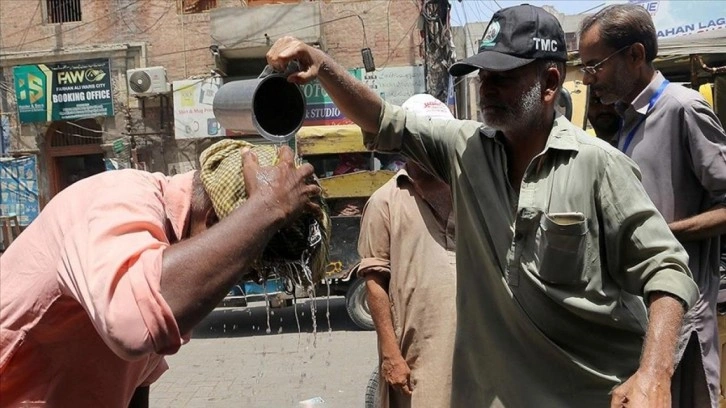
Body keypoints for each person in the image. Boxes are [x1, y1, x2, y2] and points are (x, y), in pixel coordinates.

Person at [266, 4, 699, 406]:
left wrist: (654, 373)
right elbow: (384, 119)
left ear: (549, 84)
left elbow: (667, 268)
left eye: (503, 77)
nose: (486, 88)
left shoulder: (599, 166)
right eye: (482, 75)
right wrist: (322, 66)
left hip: (586, 395)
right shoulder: (466, 150)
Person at [0, 140, 327, 407]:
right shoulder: (121, 197)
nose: (243, 281)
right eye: (247, 268)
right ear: (215, 223)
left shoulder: (171, 251)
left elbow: (138, 376)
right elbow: (135, 327)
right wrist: (266, 209)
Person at [579, 5, 726, 407]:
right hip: (635, 318)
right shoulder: (623, 120)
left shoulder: (683, 109)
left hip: (683, 322)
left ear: (635, 56)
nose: (589, 78)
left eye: (596, 65)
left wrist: (663, 234)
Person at [358, 94, 456, 408]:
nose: (431, 145)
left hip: (478, 355)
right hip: (418, 357)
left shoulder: (471, 191)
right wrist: (389, 353)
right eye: (421, 137)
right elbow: (374, 282)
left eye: (437, 136)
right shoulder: (385, 202)